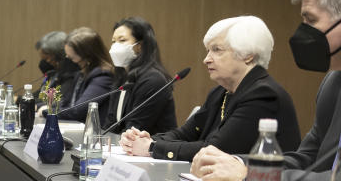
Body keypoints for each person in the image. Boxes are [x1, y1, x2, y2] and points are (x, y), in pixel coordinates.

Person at [192, 0, 341, 181]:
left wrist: (252, 179)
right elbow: (307, 159)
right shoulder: (337, 82)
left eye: (311, 20)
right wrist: (236, 163)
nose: (302, 32)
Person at [121, 15, 301, 161]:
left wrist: (152, 148)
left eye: (217, 50)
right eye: (208, 51)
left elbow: (215, 149)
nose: (206, 59)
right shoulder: (220, 92)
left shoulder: (263, 95)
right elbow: (185, 133)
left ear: (248, 56)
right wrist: (147, 140)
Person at [104, 17, 177, 134]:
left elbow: (135, 128)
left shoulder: (153, 80)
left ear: (140, 46)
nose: (115, 46)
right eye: (113, 41)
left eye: (122, 40)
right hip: (124, 148)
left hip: (151, 149)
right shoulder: (122, 78)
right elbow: (111, 123)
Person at [59, 27, 115, 121]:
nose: (67, 57)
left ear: (86, 54)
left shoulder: (103, 76)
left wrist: (48, 112)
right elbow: (66, 102)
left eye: (72, 57)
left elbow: (78, 111)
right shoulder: (81, 73)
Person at [35, 31, 79, 98]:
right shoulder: (52, 71)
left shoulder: (70, 71)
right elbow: (42, 94)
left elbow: (57, 99)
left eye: (47, 58)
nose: (47, 62)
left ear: (58, 53)